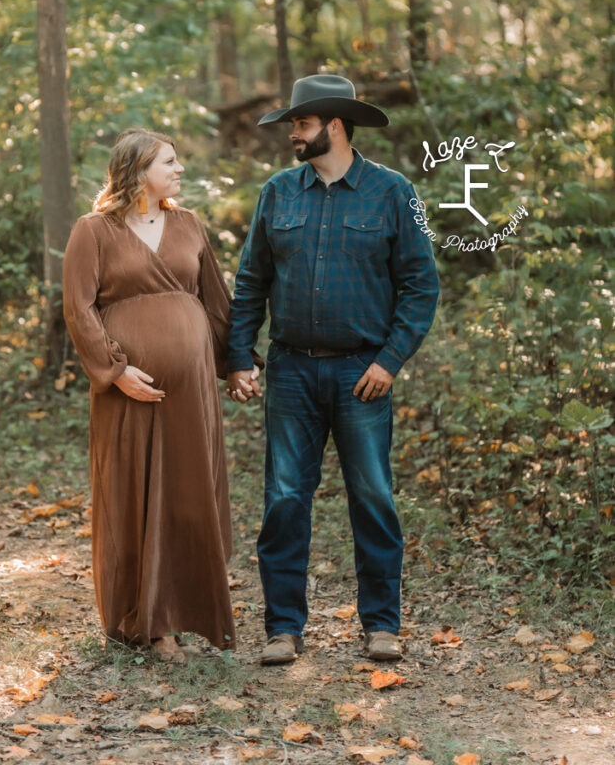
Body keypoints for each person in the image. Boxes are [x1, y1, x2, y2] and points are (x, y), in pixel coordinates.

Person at [226, 74, 439, 666]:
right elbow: (251, 282)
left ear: (335, 126)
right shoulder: (277, 193)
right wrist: (239, 356)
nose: (293, 133)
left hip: (361, 376)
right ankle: (284, 629)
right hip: (291, 373)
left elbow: (422, 287)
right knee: (285, 498)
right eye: (293, 123)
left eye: (301, 123)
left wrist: (389, 361)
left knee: (372, 497)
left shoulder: (395, 193)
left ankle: (382, 627)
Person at [63, 127, 240, 661]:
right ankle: (153, 622)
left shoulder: (188, 225)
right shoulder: (93, 231)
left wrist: (236, 364)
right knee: (136, 494)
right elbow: (79, 308)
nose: (179, 169)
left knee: (189, 493)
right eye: (169, 161)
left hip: (190, 394)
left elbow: (215, 299)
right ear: (139, 170)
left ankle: (195, 611)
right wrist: (116, 371)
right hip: (128, 392)